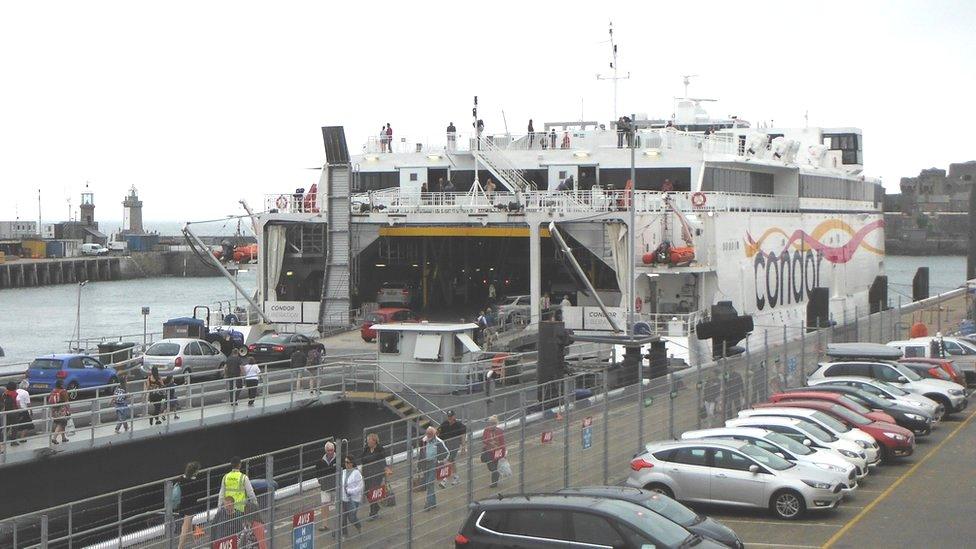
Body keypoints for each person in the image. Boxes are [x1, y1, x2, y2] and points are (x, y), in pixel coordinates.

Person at [175, 461, 207, 549]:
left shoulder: (181, 478)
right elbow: (198, 493)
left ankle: (195, 544)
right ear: (195, 471)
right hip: (191, 505)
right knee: (185, 527)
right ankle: (180, 547)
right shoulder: (196, 481)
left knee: (188, 525)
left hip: (182, 504)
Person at [360, 433, 391, 520]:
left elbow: (382, 460)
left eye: (369, 441)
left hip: (377, 473)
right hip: (367, 473)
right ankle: (376, 507)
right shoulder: (366, 449)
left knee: (373, 492)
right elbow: (362, 459)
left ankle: (373, 513)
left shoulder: (379, 449)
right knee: (367, 491)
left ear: (374, 441)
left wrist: (386, 469)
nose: (367, 442)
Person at [418, 426, 448, 511]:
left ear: (434, 434)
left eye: (430, 434)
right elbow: (421, 453)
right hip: (425, 464)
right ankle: (433, 502)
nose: (428, 435)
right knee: (429, 484)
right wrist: (419, 466)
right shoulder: (423, 441)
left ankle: (428, 504)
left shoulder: (439, 442)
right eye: (427, 434)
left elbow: (446, 453)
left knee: (430, 483)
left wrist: (439, 460)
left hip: (433, 463)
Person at [437, 410, 467, 487]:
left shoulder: (459, 425)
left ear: (454, 416)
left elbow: (463, 435)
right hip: (446, 445)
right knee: (451, 461)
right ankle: (456, 477)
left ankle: (444, 480)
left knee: (448, 461)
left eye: (451, 416)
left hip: (455, 445)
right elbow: (439, 434)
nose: (449, 418)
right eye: (448, 416)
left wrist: (463, 447)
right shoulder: (444, 424)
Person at [315, 441, 338, 532]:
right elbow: (318, 473)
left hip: (337, 485)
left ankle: (338, 523)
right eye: (328, 450)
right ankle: (325, 524)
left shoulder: (339, 458)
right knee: (324, 505)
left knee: (338, 504)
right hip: (325, 486)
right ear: (325, 451)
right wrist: (321, 481)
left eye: (332, 450)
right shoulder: (320, 462)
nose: (330, 452)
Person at [340, 455, 364, 537]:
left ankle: (358, 525)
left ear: (352, 463)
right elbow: (341, 485)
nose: (346, 464)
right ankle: (344, 534)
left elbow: (360, 486)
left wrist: (350, 491)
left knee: (351, 517)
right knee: (343, 517)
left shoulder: (356, 473)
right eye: (345, 462)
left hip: (353, 499)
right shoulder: (343, 472)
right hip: (344, 498)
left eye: (348, 462)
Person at [481, 416, 506, 488]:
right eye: (489, 423)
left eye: (492, 424)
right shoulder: (486, 430)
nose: (490, 425)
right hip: (488, 450)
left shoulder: (500, 431)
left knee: (494, 467)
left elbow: (502, 443)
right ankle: (496, 475)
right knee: (491, 467)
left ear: (495, 424)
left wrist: (503, 454)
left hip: (497, 451)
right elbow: (484, 440)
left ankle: (494, 482)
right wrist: (489, 442)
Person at [47, 380, 70, 444]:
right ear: (61, 385)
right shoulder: (63, 391)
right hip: (61, 410)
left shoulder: (53, 390)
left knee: (62, 423)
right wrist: (69, 410)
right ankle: (54, 438)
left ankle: (63, 438)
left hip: (54, 410)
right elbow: (66, 402)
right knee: (61, 424)